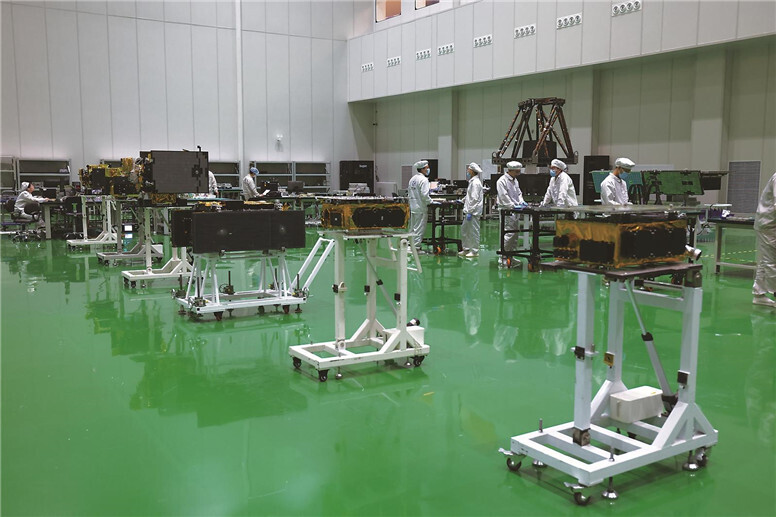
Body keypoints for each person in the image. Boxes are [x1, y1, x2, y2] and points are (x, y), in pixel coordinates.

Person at [752, 171, 776, 307]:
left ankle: (758, 294)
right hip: (768, 225)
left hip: (770, 223)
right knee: (771, 261)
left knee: (765, 260)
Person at [496, 161, 526, 265]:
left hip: (515, 210)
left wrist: (521, 202)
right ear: (510, 170)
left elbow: (519, 193)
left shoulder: (515, 180)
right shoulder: (502, 181)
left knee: (515, 234)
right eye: (517, 172)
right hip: (507, 211)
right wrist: (512, 205)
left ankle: (511, 256)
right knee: (508, 234)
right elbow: (503, 196)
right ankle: (502, 256)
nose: (518, 173)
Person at [407, 160, 432, 254]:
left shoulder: (413, 179)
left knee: (412, 228)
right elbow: (424, 195)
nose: (428, 169)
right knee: (419, 228)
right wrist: (431, 202)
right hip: (420, 207)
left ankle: (410, 245)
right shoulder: (424, 180)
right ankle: (416, 248)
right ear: (422, 169)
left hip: (413, 207)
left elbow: (409, 193)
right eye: (427, 168)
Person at [459, 162, 484, 258]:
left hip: (473, 212)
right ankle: (466, 249)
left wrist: (470, 211)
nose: (467, 172)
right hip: (469, 211)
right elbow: (470, 196)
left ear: (472, 171)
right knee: (465, 230)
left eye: (468, 170)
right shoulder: (472, 182)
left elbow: (474, 199)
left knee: (473, 231)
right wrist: (463, 200)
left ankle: (474, 251)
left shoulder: (476, 183)